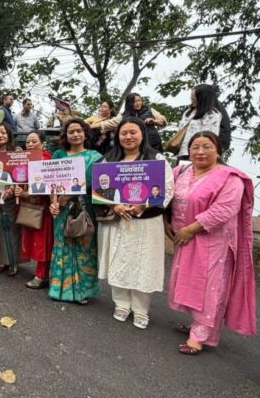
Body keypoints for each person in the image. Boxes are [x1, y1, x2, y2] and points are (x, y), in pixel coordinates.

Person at [166, 131, 256, 355]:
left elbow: (224, 209)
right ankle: (197, 324)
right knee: (190, 282)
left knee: (210, 287)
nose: (200, 152)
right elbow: (165, 195)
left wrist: (191, 229)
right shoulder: (181, 171)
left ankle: (200, 336)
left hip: (213, 240)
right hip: (184, 238)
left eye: (206, 147)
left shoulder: (230, 178)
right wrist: (166, 221)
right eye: (195, 147)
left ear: (219, 151)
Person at [97, 117, 174, 329]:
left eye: (133, 132)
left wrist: (143, 205)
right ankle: (121, 303)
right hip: (117, 219)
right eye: (124, 133)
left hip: (146, 221)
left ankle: (141, 309)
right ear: (117, 136)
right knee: (118, 258)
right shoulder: (108, 160)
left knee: (144, 261)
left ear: (142, 134)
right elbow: (100, 188)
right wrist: (115, 206)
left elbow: (167, 188)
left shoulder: (156, 159)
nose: (128, 137)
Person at [48, 118, 103, 304]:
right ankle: (59, 289)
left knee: (83, 246)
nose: (75, 134)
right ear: (66, 135)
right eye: (71, 131)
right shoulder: (59, 155)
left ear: (85, 134)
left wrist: (68, 196)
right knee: (62, 244)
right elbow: (51, 182)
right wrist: (54, 203)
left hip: (83, 207)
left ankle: (82, 291)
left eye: (79, 131)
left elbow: (97, 183)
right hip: (61, 210)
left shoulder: (95, 157)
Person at [15, 131, 54, 289]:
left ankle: (42, 275)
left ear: (42, 143)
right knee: (34, 241)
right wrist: (17, 189)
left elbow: (46, 186)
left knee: (42, 242)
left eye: (33, 141)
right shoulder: (24, 160)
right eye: (28, 142)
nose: (30, 144)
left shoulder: (47, 160)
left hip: (43, 208)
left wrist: (25, 193)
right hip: (28, 206)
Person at [0, 123, 22, 276]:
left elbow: (22, 174)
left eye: (3, 133)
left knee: (13, 230)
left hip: (12, 197)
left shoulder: (16, 152)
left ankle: (13, 261)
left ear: (9, 135)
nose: (0, 135)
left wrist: (12, 188)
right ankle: (0, 260)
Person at [90, 93, 167, 152]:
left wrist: (154, 121)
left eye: (139, 101)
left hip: (153, 142)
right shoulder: (124, 116)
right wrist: (88, 126)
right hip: (136, 146)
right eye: (135, 102)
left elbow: (163, 122)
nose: (138, 103)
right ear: (129, 103)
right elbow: (108, 123)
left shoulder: (149, 110)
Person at [176, 85, 225, 159]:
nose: (191, 98)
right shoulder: (188, 112)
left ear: (202, 97)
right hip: (183, 152)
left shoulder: (212, 115)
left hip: (199, 154)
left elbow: (211, 137)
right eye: (191, 96)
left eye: (194, 96)